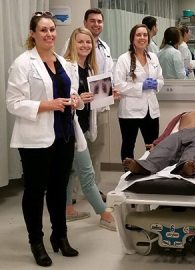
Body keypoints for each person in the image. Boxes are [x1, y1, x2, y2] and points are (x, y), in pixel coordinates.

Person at [6, 12, 80, 267]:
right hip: (36, 139)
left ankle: (60, 235)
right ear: (32, 33)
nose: (49, 34)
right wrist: (46, 105)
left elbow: (67, 90)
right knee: (36, 192)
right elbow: (12, 103)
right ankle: (36, 241)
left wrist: (75, 99)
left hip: (64, 135)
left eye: (52, 29)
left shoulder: (61, 61)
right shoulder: (23, 63)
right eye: (44, 30)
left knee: (60, 190)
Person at [63, 27, 116, 230]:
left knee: (72, 171)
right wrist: (77, 99)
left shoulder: (91, 69)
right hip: (70, 127)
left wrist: (110, 95)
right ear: (72, 44)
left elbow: (96, 101)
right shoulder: (66, 66)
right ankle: (105, 215)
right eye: (80, 42)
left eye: (88, 42)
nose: (85, 45)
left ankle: (68, 210)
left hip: (84, 125)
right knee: (87, 173)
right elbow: (63, 96)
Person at [123, 106, 195, 177]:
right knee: (165, 148)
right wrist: (157, 143)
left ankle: (187, 166)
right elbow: (169, 129)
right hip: (180, 134)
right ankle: (143, 166)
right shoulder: (184, 114)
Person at [114, 24, 164, 161]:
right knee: (128, 145)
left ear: (148, 38)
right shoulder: (123, 59)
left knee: (153, 145)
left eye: (145, 35)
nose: (142, 38)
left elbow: (160, 79)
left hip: (151, 110)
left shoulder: (153, 57)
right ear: (132, 38)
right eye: (138, 35)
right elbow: (118, 85)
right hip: (130, 111)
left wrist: (156, 84)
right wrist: (141, 86)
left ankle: (150, 174)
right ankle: (128, 178)